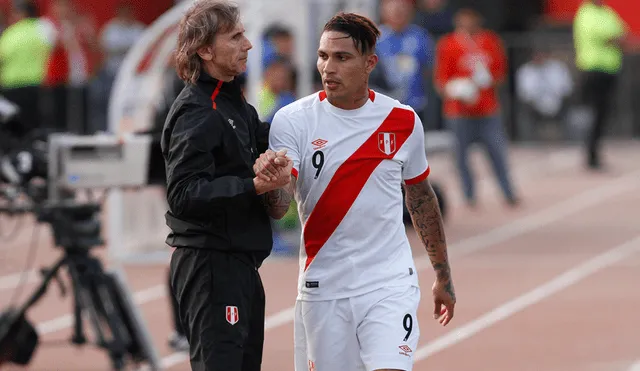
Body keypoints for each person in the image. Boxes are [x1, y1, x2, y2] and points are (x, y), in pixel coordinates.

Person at [259, 12, 456, 371]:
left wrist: (442, 274)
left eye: (342, 58)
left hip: (388, 282)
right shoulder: (293, 120)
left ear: (370, 63)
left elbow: (421, 198)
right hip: (324, 288)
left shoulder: (403, 121)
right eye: (323, 56)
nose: (328, 67)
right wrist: (273, 183)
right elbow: (279, 207)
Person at [161, 1, 293, 370]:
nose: (248, 45)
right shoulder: (197, 111)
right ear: (205, 49)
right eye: (235, 37)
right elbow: (183, 195)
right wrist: (253, 185)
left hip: (240, 266)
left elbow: (274, 140)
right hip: (211, 268)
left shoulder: (234, 103)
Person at [434, 8, 518, 208]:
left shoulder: (490, 41)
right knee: (461, 157)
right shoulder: (448, 44)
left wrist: (487, 81)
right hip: (458, 111)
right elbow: (441, 81)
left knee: (498, 152)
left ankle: (508, 192)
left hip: (487, 109)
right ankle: (469, 195)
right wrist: (459, 90)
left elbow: (500, 73)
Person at [573, 0, 627, 170]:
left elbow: (622, 33)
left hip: (609, 69)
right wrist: (615, 39)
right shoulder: (586, 12)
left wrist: (617, 39)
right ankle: (590, 153)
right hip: (593, 69)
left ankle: (594, 151)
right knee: (594, 112)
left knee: (603, 113)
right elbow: (606, 37)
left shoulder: (607, 12)